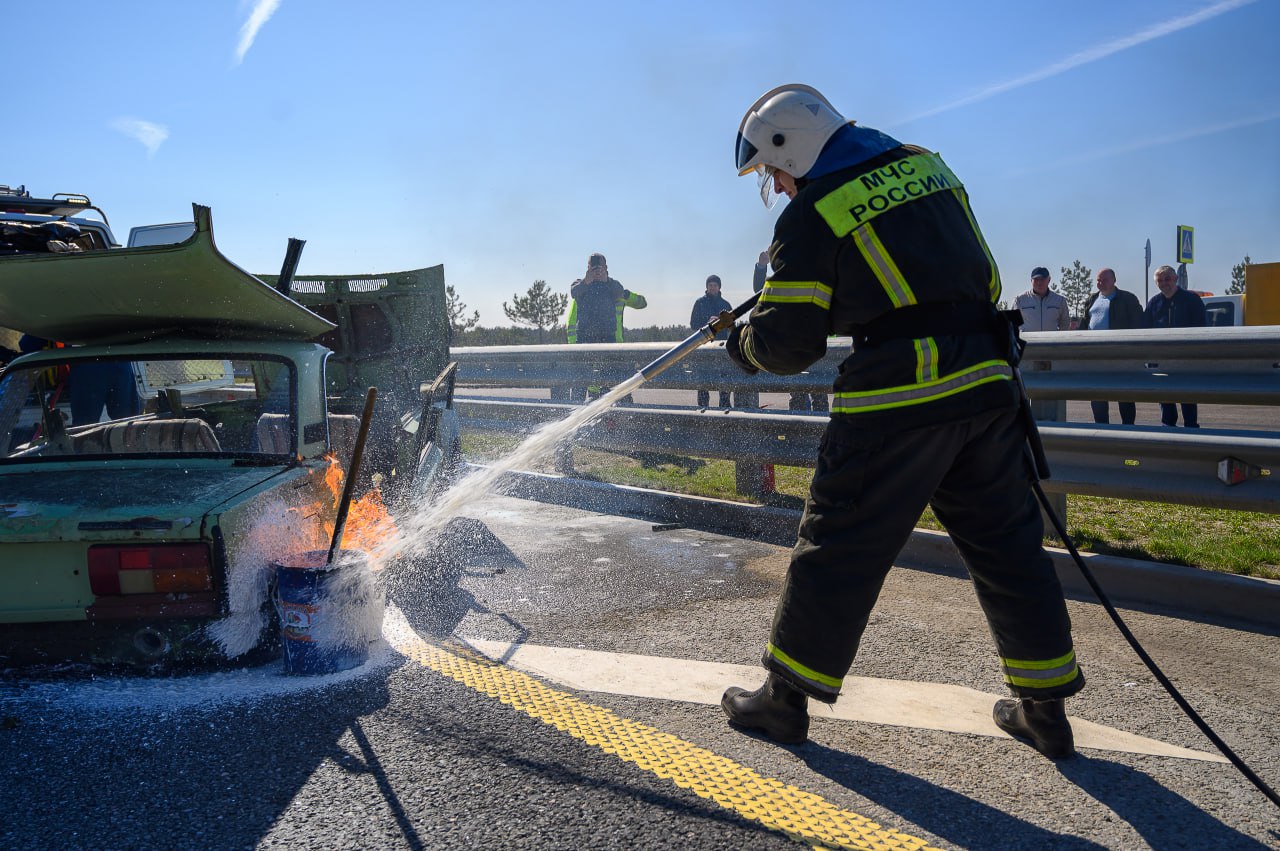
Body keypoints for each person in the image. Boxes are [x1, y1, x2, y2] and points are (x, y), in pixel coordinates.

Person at [721, 84, 1084, 756]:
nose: (777, 183)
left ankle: (784, 699)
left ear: (790, 147)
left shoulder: (813, 214)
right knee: (1008, 547)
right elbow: (972, 273)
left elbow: (787, 345)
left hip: (899, 397)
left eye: (774, 170)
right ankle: (1045, 709)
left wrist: (740, 345)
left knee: (838, 548)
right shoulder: (928, 167)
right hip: (987, 384)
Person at [566, 253, 647, 401]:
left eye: (600, 267)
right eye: (593, 267)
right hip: (584, 339)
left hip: (608, 339)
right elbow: (574, 292)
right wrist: (586, 281)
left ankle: (622, 412)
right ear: (588, 268)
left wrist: (607, 280)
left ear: (606, 268)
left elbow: (620, 292)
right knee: (580, 380)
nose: (597, 271)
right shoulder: (580, 284)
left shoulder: (612, 285)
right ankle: (574, 413)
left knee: (614, 378)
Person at [1078, 268, 1144, 425]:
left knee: (1124, 394)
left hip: (1121, 355)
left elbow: (1138, 323)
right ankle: (1101, 428)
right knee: (1097, 394)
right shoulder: (1092, 299)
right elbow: (1084, 324)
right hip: (1095, 357)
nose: (1101, 283)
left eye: (1104, 280)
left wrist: (1134, 349)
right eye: (1098, 280)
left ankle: (1128, 428)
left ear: (1114, 280)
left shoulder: (1127, 298)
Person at [1145, 265, 1206, 428]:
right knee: (1165, 396)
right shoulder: (1154, 303)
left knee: (1187, 397)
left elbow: (1202, 328)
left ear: (1176, 279)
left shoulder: (1191, 300)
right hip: (1161, 359)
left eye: (1167, 279)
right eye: (1160, 280)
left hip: (1186, 358)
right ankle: (1168, 428)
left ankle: (1191, 429)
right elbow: (1145, 330)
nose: (1164, 283)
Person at [690, 275, 733, 408]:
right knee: (703, 381)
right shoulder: (699, 303)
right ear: (707, 287)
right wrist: (707, 324)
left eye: (715, 285)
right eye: (710, 285)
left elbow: (732, 327)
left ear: (719, 287)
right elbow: (693, 324)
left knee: (724, 380)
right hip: (704, 348)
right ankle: (703, 408)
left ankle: (724, 407)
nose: (712, 287)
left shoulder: (726, 305)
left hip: (722, 348)